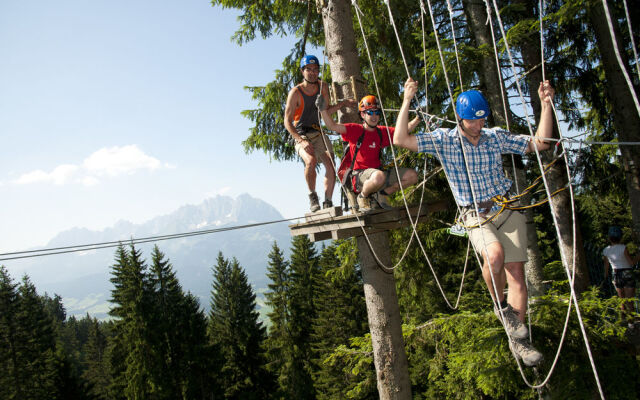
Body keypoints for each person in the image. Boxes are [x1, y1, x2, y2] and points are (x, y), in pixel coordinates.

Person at [393, 77, 556, 367]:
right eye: (472, 122)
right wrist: (407, 100)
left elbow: (541, 143)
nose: (478, 127)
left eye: (481, 121)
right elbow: (400, 139)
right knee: (494, 255)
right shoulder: (444, 140)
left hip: (507, 205)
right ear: (460, 118)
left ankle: (519, 341)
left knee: (517, 272)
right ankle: (501, 308)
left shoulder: (494, 136)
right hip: (474, 212)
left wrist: (546, 105)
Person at [320, 94, 420, 211]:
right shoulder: (355, 130)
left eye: (377, 113)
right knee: (378, 176)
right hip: (359, 177)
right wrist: (323, 110)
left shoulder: (381, 132)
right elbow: (332, 126)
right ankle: (362, 197)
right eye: (370, 113)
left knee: (412, 176)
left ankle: (381, 194)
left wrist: (418, 118)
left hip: (378, 176)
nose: (374, 116)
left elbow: (403, 130)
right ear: (362, 114)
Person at [284, 54, 352, 212]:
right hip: (301, 134)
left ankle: (328, 201)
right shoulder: (295, 93)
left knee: (330, 163)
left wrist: (342, 104)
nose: (313, 73)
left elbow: (325, 112)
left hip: (317, 131)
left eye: (315, 69)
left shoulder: (323, 87)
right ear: (303, 71)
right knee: (311, 161)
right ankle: (312, 196)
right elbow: (287, 121)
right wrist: (300, 140)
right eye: (309, 69)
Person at [603, 226, 640, 324]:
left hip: (616, 274)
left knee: (622, 300)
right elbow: (631, 263)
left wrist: (606, 276)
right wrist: (638, 256)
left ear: (609, 237)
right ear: (620, 237)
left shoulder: (606, 250)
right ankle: (631, 323)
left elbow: (606, 266)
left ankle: (622, 320)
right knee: (630, 300)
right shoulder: (623, 248)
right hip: (627, 273)